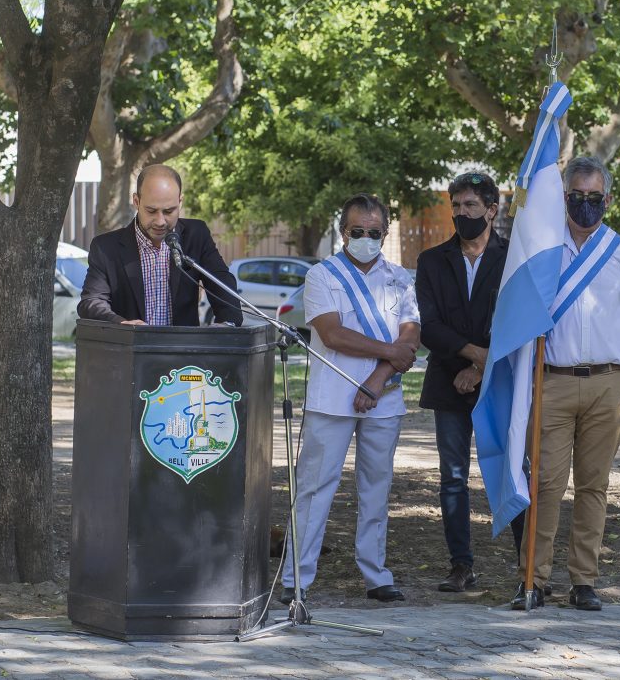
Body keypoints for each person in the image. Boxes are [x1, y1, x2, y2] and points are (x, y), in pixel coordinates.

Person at [513, 156, 620, 612]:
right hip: (552, 381)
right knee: (546, 484)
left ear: (608, 200)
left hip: (608, 384)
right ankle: (532, 581)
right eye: (576, 197)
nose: (585, 206)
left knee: (594, 486)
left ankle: (584, 581)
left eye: (594, 198)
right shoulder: (541, 249)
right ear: (564, 197)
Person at [281, 193, 420, 605]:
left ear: (385, 233)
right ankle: (295, 577)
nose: (365, 238)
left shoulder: (400, 278)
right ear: (343, 232)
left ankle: (376, 575)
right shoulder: (322, 275)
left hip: (384, 397)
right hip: (331, 397)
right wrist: (392, 353)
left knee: (376, 489)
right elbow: (332, 333)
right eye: (357, 231)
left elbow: (409, 337)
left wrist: (378, 379)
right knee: (313, 488)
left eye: (373, 232)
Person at [415, 172, 524, 593]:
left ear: (492, 210)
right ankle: (461, 565)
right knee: (453, 477)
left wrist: (481, 368)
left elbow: (517, 324)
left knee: (510, 470)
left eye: (471, 206)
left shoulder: (514, 259)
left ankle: (526, 566)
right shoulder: (431, 260)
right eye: (456, 206)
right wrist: (472, 355)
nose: (462, 214)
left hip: (501, 384)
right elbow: (429, 325)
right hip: (447, 382)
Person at [78, 164, 242, 326]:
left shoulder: (196, 234)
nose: (160, 221)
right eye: (151, 211)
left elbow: (222, 282)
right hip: (130, 348)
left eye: (169, 211)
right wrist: (120, 323)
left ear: (180, 201)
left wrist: (227, 324)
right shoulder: (106, 247)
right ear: (136, 201)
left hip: (181, 349)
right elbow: (92, 301)